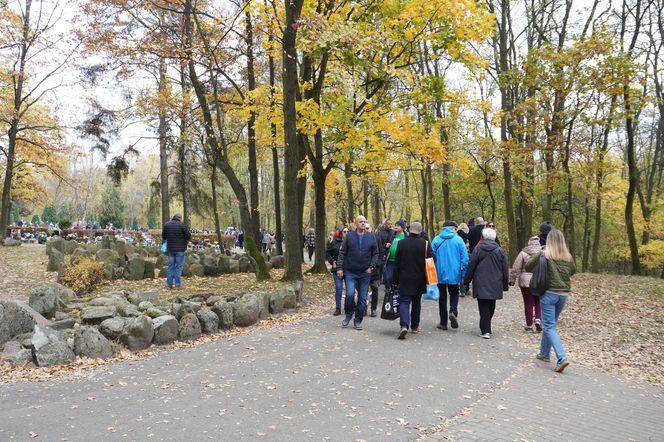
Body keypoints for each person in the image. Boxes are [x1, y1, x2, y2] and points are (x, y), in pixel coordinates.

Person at [526, 229, 576, 373]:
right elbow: (572, 271)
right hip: (563, 294)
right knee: (551, 324)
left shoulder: (544, 254)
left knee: (549, 326)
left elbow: (528, 266)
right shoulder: (568, 257)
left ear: (548, 241)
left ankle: (561, 357)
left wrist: (539, 253)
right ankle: (544, 353)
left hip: (548, 293)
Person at [463, 227, 509, 339]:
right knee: (491, 305)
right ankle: (486, 329)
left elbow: (471, 265)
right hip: (495, 282)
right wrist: (505, 284)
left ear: (483, 237)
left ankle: (485, 329)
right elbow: (505, 269)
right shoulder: (500, 251)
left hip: (480, 281)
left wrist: (467, 280)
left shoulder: (478, 249)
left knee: (483, 306)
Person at [336, 215, 378, 330]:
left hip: (365, 272)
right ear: (356, 224)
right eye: (361, 222)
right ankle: (348, 314)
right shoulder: (349, 237)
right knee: (349, 295)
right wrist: (339, 268)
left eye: (364, 222)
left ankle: (358, 320)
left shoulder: (371, 237)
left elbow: (375, 253)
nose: (363, 223)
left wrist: (371, 267)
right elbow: (342, 253)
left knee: (362, 298)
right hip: (350, 272)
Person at [393, 222, 433, 339]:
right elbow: (432, 259)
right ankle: (415, 327)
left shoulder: (401, 243)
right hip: (419, 278)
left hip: (404, 278)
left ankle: (404, 325)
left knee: (404, 302)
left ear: (409, 230)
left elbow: (397, 264)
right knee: (416, 302)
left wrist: (394, 280)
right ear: (420, 231)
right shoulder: (425, 244)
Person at [432, 220, 469, 331]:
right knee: (454, 293)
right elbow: (465, 259)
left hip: (440, 273)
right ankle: (453, 311)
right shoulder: (459, 240)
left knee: (442, 298)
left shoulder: (436, 240)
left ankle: (443, 323)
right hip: (454, 273)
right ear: (453, 228)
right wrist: (463, 274)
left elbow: (431, 258)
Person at [509, 236, 543, 332]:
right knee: (538, 301)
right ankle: (538, 319)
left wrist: (512, 279)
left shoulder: (523, 253)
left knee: (528, 303)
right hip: (539, 280)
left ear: (529, 243)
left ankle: (529, 326)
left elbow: (516, 267)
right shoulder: (543, 253)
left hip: (525, 281)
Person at [162, 213, 191, 289]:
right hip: (180, 249)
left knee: (171, 267)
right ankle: (177, 285)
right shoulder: (182, 225)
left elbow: (163, 236)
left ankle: (169, 285)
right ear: (180, 218)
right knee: (179, 267)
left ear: (173, 217)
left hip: (170, 249)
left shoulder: (167, 225)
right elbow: (188, 236)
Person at [326, 227, 348, 316]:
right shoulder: (334, 243)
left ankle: (348, 307)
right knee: (339, 288)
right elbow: (327, 253)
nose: (346, 233)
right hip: (336, 269)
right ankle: (338, 308)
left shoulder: (350, 243)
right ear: (341, 233)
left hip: (348, 269)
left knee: (349, 290)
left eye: (348, 231)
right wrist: (332, 261)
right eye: (345, 231)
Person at [383, 219, 407, 290]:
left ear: (402, 227)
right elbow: (386, 244)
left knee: (398, 279)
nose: (396, 227)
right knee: (388, 278)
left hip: (401, 262)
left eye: (398, 226)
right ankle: (388, 291)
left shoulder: (406, 236)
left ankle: (397, 293)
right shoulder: (392, 235)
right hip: (390, 260)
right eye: (396, 225)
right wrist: (386, 245)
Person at [365, 223, 382, 317]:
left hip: (375, 271)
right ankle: (363, 308)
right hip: (363, 270)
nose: (366, 229)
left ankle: (373, 309)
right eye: (365, 228)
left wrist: (378, 264)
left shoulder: (377, 238)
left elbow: (381, 252)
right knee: (363, 290)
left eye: (368, 228)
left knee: (375, 289)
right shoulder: (360, 239)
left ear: (371, 229)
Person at [457, 222, 470, 296]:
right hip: (466, 255)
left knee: (461, 273)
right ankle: (465, 290)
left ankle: (462, 290)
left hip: (459, 255)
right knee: (465, 272)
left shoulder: (457, 235)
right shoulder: (466, 236)